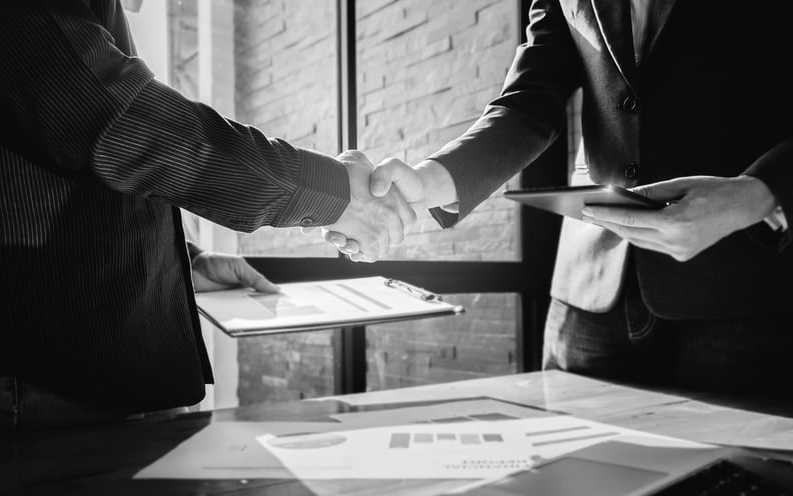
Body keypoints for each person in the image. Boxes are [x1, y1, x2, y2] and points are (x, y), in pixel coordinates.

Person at [327, 0, 793, 397]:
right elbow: (530, 100)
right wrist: (430, 179)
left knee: (737, 492)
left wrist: (757, 194)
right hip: (589, 291)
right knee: (576, 483)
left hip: (745, 287)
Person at [0, 0, 414, 430]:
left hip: (87, 380)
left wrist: (184, 264)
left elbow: (73, 179)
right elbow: (127, 123)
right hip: (47, 391)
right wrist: (332, 192)